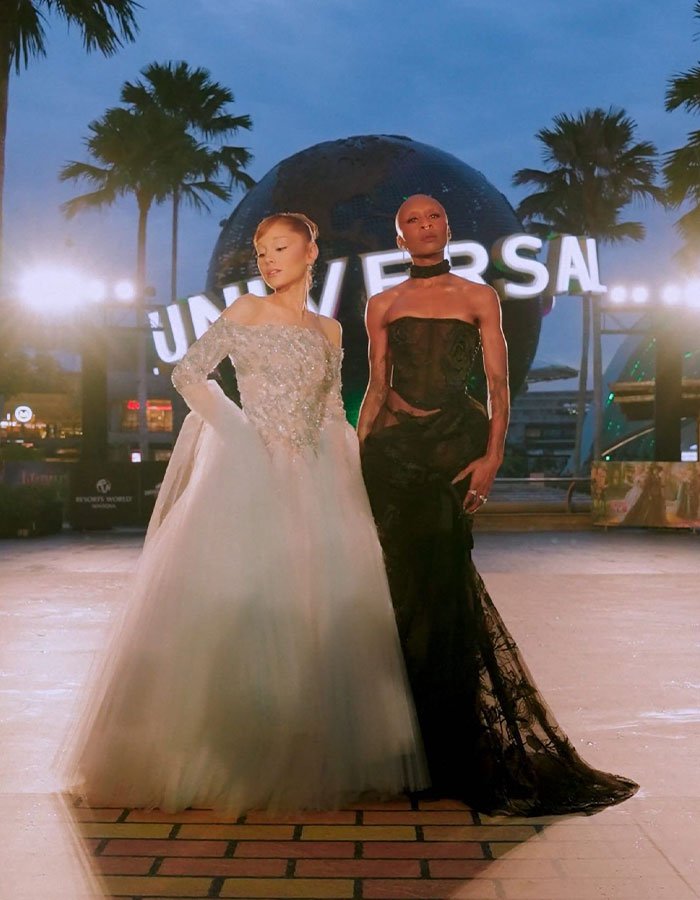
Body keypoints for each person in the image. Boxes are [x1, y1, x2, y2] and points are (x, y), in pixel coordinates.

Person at [62, 212, 427, 814]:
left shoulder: (331, 331)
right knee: (250, 601)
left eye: (280, 248)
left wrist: (339, 463)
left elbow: (334, 406)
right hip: (250, 472)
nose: (268, 261)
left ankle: (313, 745)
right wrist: (238, 433)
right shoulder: (243, 314)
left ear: (313, 250)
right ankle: (227, 750)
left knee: (318, 605)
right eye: (260, 253)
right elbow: (188, 374)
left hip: (319, 478)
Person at [358, 193, 638, 816]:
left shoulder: (478, 296)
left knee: (446, 584)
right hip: (393, 454)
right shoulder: (382, 302)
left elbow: (498, 383)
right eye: (411, 220)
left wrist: (492, 456)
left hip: (456, 444)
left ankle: (455, 750)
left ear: (446, 228)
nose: (424, 226)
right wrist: (357, 453)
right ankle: (408, 748)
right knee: (398, 590)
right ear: (399, 237)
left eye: (433, 216)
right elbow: (377, 386)